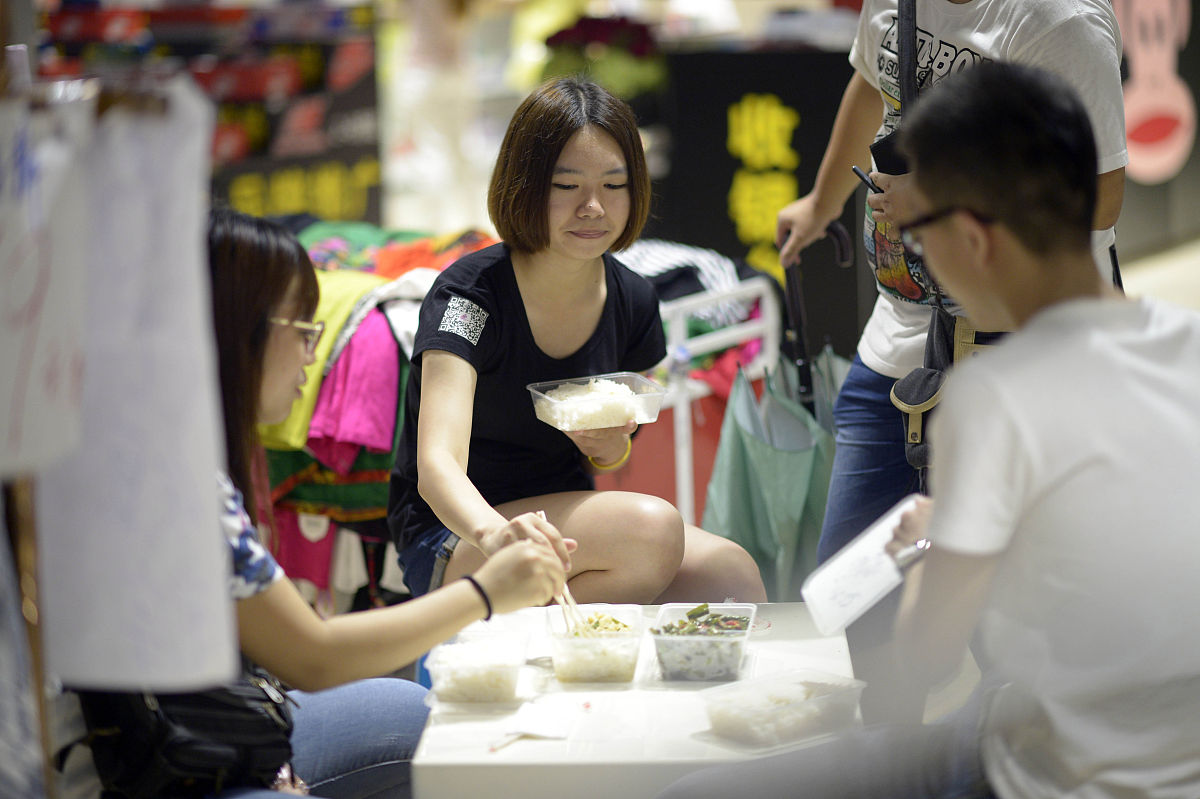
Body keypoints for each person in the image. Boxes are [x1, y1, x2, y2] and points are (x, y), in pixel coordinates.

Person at [660, 61, 1200, 799]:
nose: (916, 258)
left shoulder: (997, 399)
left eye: (915, 234)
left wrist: (941, 549)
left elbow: (923, 654)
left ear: (974, 238)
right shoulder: (1186, 343)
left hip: (1031, 770)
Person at [53, 209, 568, 799]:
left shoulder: (153, 448)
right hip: (134, 765)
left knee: (412, 707)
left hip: (177, 725)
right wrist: (484, 593)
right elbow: (313, 656)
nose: (312, 356)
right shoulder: (167, 479)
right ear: (233, 330)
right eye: (302, 328)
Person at [773, 0, 1127, 720]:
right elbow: (876, 83)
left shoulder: (1058, 25)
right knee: (855, 590)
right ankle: (896, 750)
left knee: (1019, 636)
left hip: (1028, 351)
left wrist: (940, 198)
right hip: (905, 335)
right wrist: (821, 203)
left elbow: (1101, 197)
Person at [386, 76, 767, 605]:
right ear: (523, 185)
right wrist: (499, 537)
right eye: (567, 187)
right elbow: (436, 467)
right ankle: (544, 662)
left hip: (563, 514)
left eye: (614, 185)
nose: (593, 207)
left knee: (729, 573)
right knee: (652, 530)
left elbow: (612, 450)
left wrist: (612, 446)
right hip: (456, 533)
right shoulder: (471, 298)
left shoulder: (633, 299)